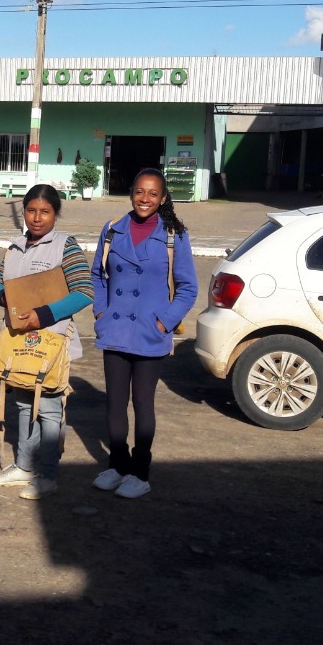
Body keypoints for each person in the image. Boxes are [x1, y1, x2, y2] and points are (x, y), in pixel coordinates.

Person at [90, 168, 198, 499]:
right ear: (131, 193)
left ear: (163, 199)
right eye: (139, 192)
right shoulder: (112, 230)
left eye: (153, 194)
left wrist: (165, 322)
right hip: (116, 330)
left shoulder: (172, 235)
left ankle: (140, 472)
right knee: (115, 404)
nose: (145, 199)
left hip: (151, 333)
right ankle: (117, 465)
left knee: (143, 404)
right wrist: (101, 312)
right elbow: (98, 275)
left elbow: (188, 287)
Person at [0, 184, 93, 499]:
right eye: (31, 210)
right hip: (20, 341)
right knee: (22, 402)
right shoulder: (15, 246)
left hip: (51, 342)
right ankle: (24, 466)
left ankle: (47, 474)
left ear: (55, 214)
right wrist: (6, 296)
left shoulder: (65, 246)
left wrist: (44, 314)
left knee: (48, 408)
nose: (36, 218)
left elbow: (84, 291)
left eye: (44, 212)